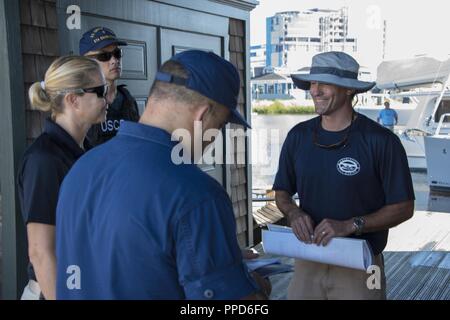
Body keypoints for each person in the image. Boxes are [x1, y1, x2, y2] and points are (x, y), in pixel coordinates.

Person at [55, 50, 266, 300]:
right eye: (219, 126)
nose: (215, 138)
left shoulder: (81, 169)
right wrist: (255, 289)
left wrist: (215, 260)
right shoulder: (198, 194)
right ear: (203, 115)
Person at [273, 51, 415, 300]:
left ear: (349, 89)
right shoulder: (298, 136)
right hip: (308, 259)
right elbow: (282, 192)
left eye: (324, 83)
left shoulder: (381, 141)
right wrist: (294, 213)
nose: (315, 90)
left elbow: (404, 207)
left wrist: (351, 225)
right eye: (312, 83)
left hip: (363, 263)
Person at [17, 56, 108, 300]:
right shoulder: (44, 160)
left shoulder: (86, 152)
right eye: (100, 91)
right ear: (73, 99)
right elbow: (40, 251)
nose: (107, 98)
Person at [79, 26, 140, 146]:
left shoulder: (128, 99)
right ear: (86, 62)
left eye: (117, 53)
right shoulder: (79, 102)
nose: (114, 60)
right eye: (104, 56)